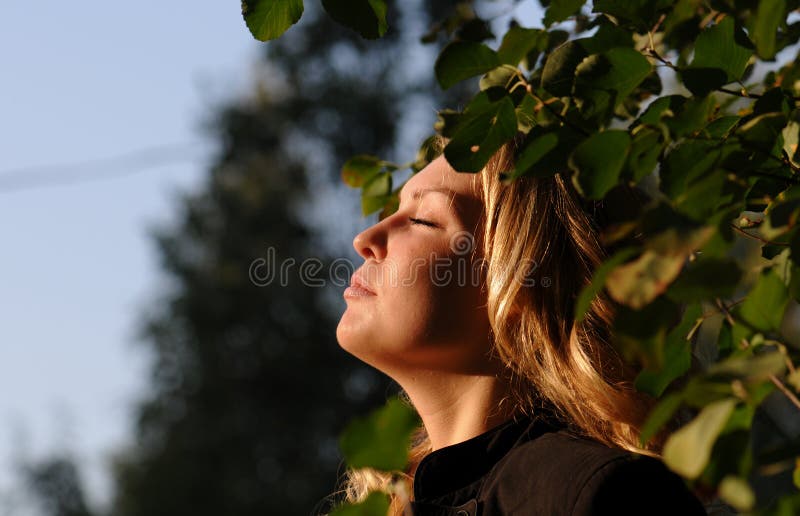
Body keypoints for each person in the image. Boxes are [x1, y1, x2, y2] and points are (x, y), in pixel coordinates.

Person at [334, 139, 708, 515]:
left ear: (519, 285)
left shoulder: (606, 496)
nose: (365, 239)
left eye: (422, 219)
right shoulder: (396, 502)